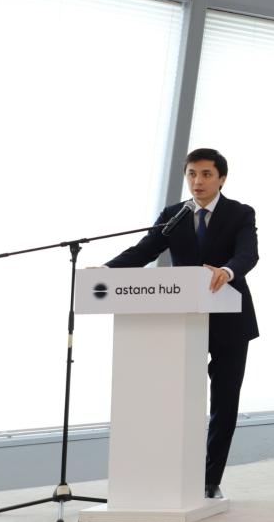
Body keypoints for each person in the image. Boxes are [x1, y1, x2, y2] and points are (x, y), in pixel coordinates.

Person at [105, 148, 258, 499]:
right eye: (191, 174)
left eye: (206, 174)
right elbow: (144, 251)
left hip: (230, 321)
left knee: (224, 403)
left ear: (221, 178)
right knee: (176, 399)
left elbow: (248, 254)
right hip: (183, 321)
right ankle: (171, 473)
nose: (197, 181)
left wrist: (227, 271)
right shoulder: (174, 215)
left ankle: (209, 479)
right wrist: (107, 272)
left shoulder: (240, 213)